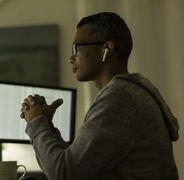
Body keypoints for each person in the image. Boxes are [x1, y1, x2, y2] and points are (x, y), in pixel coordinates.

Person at [20, 12, 179, 180]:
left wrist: (36, 123)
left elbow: (65, 174)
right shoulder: (130, 92)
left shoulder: (120, 98)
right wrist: (47, 127)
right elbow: (78, 164)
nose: (71, 58)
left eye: (77, 48)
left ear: (107, 49)